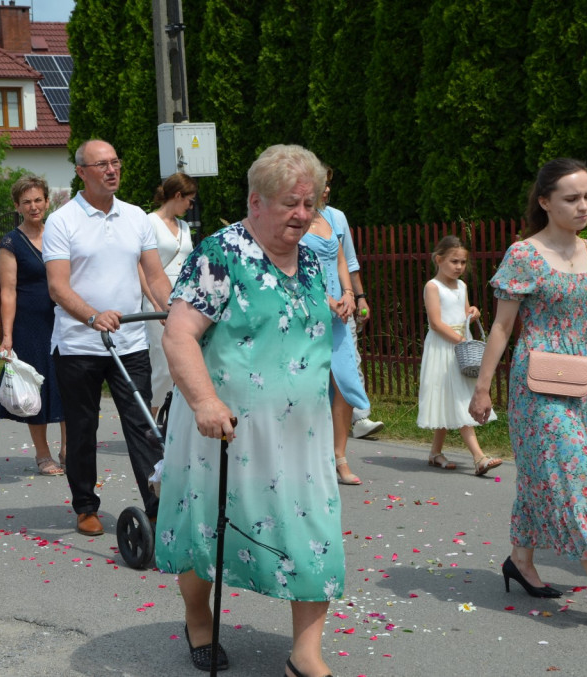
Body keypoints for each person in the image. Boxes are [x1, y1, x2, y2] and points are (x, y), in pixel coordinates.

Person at [156, 144, 344, 677]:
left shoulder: (309, 257)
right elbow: (179, 336)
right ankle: (198, 616)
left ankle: (305, 655)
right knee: (205, 534)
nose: (303, 216)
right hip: (226, 430)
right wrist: (205, 402)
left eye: (310, 204)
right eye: (291, 204)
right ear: (255, 202)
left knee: (316, 536)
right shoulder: (221, 254)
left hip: (303, 436)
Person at [468, 158, 587, 636]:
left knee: (546, 473)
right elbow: (501, 325)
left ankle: (520, 560)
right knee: (574, 477)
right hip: (537, 387)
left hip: (585, 384)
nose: (583, 206)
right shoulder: (524, 256)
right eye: (571, 198)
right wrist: (481, 386)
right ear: (544, 202)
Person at [44, 139, 173, 537]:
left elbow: (153, 276)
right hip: (79, 344)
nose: (112, 170)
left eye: (116, 162)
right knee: (83, 428)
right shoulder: (61, 221)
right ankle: (85, 505)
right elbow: (58, 287)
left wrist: (176, 313)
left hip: (131, 340)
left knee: (142, 424)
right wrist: (91, 316)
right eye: (102, 164)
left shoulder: (136, 217)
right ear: (82, 171)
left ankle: (157, 506)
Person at [0, 175, 67, 476]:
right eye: (26, 202)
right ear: (17, 206)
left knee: (67, 385)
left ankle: (68, 448)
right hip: (30, 323)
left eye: (38, 200)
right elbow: (7, 292)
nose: (33, 206)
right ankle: (43, 453)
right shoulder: (11, 242)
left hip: (63, 320)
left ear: (47, 201)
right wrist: (7, 336)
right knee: (35, 388)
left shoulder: (60, 233)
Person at [301, 175, 367, 485]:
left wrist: (349, 294)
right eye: (320, 184)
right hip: (307, 312)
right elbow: (292, 269)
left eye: (328, 184)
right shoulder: (294, 221)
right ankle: (310, 455)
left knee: (344, 382)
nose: (327, 189)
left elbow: (341, 257)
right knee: (312, 385)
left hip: (339, 314)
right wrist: (326, 300)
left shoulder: (331, 217)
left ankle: (339, 456)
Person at [418, 235, 502, 475]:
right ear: (438, 259)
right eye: (454, 261)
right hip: (444, 347)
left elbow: (463, 313)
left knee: (454, 396)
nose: (459, 267)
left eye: (463, 262)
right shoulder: (433, 287)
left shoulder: (462, 286)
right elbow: (435, 323)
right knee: (460, 399)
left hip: (460, 347)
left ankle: (435, 453)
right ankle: (479, 457)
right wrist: (461, 341)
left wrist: (472, 313)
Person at [139, 172, 197, 414]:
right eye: (189, 200)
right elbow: (140, 266)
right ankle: (150, 419)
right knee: (161, 361)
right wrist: (155, 302)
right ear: (178, 195)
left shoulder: (184, 226)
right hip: (156, 297)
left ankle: (172, 417)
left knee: (182, 358)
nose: (191, 205)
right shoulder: (149, 222)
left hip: (182, 298)